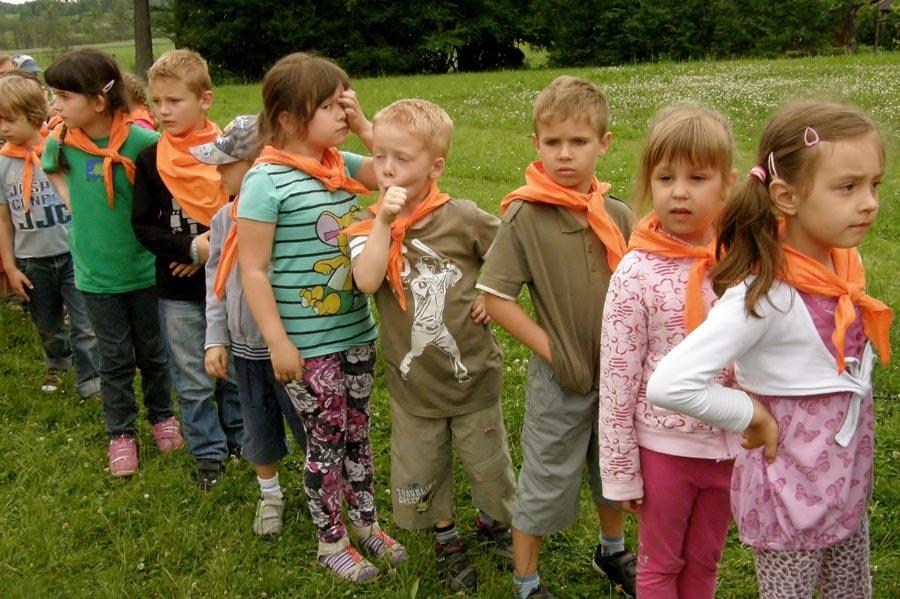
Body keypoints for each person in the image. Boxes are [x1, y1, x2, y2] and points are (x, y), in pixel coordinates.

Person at [646, 101, 891, 599]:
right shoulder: (763, 296)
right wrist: (749, 415)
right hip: (787, 503)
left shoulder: (845, 268)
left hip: (845, 490)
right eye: (847, 187)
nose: (868, 203)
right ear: (786, 196)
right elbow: (670, 384)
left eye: (874, 185)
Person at [237, 52, 406, 582]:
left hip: (356, 331)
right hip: (307, 345)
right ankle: (330, 541)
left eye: (343, 103)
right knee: (326, 441)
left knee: (358, 432)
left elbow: (393, 172)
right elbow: (253, 271)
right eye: (329, 106)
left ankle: (366, 524)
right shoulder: (265, 181)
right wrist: (278, 343)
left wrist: (365, 126)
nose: (342, 114)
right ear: (288, 118)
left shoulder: (340, 166)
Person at [345, 99, 516, 592]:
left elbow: (509, 252)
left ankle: (493, 521)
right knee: (423, 464)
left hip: (472, 377)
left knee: (488, 462)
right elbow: (366, 279)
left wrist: (491, 293)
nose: (387, 168)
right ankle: (445, 535)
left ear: (435, 166)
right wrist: (383, 222)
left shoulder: (461, 218)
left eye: (402, 158)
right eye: (380, 156)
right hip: (413, 385)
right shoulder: (365, 225)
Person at [477, 75, 637, 599]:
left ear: (603, 144)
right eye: (553, 142)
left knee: (615, 467)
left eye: (579, 141)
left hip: (618, 376)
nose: (565, 154)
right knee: (545, 477)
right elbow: (497, 299)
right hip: (559, 377)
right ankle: (527, 582)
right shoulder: (524, 215)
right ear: (536, 144)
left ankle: (612, 551)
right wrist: (555, 352)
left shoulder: (618, 215)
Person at [598, 105, 740, 599]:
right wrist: (620, 471)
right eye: (665, 177)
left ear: (727, 185)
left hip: (728, 448)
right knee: (660, 564)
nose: (679, 191)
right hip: (664, 450)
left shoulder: (743, 263)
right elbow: (617, 376)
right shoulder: (635, 272)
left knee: (705, 560)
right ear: (648, 182)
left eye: (697, 177)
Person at [40, 49, 181, 477]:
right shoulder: (62, 141)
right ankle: (120, 432)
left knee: (154, 353)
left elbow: (171, 187)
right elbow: (49, 165)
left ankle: (161, 415)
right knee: (114, 358)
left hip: (144, 270)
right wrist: (73, 204)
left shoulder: (142, 142)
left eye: (64, 97)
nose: (56, 106)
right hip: (95, 274)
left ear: (98, 101)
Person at [132, 49, 242, 491]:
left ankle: (241, 439)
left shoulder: (231, 155)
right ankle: (208, 453)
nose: (164, 111)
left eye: (174, 101)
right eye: (157, 101)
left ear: (205, 100)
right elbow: (143, 226)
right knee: (193, 377)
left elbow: (245, 211)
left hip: (229, 284)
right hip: (176, 292)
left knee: (233, 370)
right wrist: (185, 247)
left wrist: (206, 252)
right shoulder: (150, 161)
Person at [193, 113, 308, 534]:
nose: (218, 173)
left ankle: (327, 491)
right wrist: (215, 338)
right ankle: (270, 495)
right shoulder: (224, 219)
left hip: (294, 348)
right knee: (258, 429)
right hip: (246, 350)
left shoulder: (290, 211)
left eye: (226, 164)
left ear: (257, 163)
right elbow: (216, 283)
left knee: (311, 426)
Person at [0, 72, 101, 398]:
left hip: (73, 253)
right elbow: (3, 221)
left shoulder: (60, 150)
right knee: (46, 322)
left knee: (84, 322)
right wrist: (10, 267)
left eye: (10, 120)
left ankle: (91, 379)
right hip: (32, 260)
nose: (3, 128)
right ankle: (57, 361)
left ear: (33, 115)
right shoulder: (2, 164)